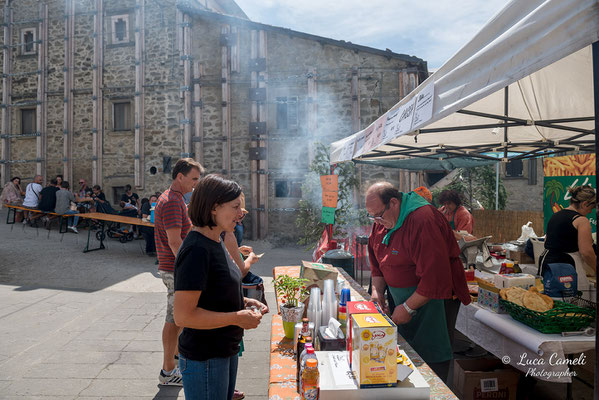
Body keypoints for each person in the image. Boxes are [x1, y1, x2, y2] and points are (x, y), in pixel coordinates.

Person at [365, 182, 471, 383]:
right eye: (372, 216)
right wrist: (377, 293)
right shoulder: (381, 220)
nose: (376, 221)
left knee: (430, 361)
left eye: (378, 215)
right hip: (402, 301)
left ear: (394, 203)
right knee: (405, 357)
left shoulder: (423, 220)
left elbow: (434, 277)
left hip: (433, 302)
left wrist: (407, 307)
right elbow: (377, 259)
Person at [173, 174, 266, 399]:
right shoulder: (197, 249)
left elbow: (214, 288)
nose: (240, 213)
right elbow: (183, 316)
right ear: (214, 208)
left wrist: (243, 301)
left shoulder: (216, 240)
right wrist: (236, 317)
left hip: (223, 350)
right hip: (205, 357)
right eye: (235, 207)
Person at [154, 158, 204, 386]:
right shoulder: (173, 201)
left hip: (172, 267)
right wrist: (189, 266)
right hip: (174, 269)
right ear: (179, 177)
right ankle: (168, 372)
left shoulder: (174, 199)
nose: (195, 183)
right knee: (174, 319)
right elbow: (175, 242)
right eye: (193, 179)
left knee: (176, 318)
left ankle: (174, 360)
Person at [541, 185, 596, 277]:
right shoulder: (581, 220)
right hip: (567, 266)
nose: (590, 212)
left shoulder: (556, 215)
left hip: (547, 263)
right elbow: (586, 252)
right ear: (584, 204)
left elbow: (547, 241)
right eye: (591, 208)